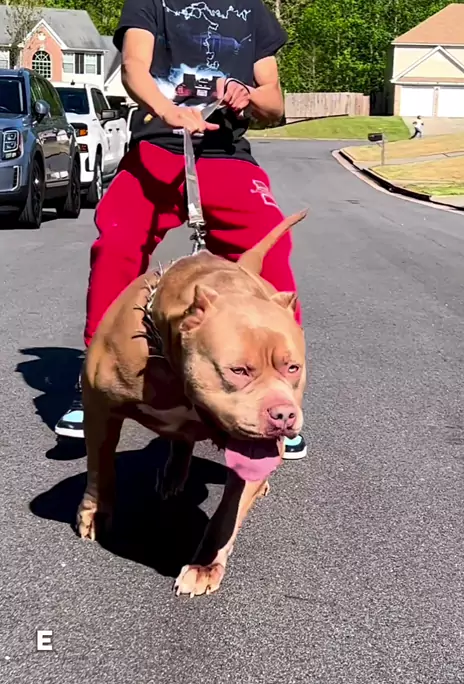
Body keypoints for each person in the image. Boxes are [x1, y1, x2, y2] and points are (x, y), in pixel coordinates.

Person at [55, 0, 307, 461]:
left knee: (273, 245)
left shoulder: (251, 11)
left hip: (227, 155)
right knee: (117, 242)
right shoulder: (151, 4)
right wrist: (166, 109)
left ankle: (277, 392)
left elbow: (274, 100)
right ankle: (94, 372)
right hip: (158, 148)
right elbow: (133, 68)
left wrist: (248, 95)